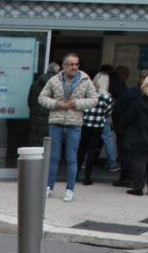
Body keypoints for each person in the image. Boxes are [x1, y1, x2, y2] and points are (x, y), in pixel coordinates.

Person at [38, 53, 98, 202]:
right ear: (64, 66)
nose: (74, 67)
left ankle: (70, 189)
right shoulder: (54, 79)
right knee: (53, 158)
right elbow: (42, 98)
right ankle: (48, 187)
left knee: (72, 158)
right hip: (56, 122)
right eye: (71, 64)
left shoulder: (85, 80)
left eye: (76, 64)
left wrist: (76, 103)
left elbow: (94, 99)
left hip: (74, 124)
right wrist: (57, 104)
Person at [112, 69, 148, 187]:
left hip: (129, 131)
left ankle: (128, 179)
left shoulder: (130, 94)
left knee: (128, 156)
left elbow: (118, 112)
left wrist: (119, 127)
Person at [77, 72, 113, 185]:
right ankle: (87, 178)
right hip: (98, 126)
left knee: (81, 150)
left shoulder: (88, 93)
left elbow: (81, 108)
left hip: (85, 125)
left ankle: (75, 175)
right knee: (92, 151)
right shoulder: (108, 97)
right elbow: (108, 113)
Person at [28, 62, 60, 146]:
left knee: (35, 140)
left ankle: (35, 158)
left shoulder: (35, 83)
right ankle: (44, 158)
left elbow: (30, 102)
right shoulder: (56, 85)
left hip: (35, 116)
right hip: (49, 117)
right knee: (47, 143)